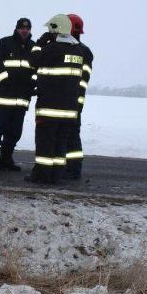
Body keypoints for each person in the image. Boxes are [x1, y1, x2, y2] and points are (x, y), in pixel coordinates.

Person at [26, 14, 84, 184]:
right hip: (69, 110)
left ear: (55, 30)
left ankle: (42, 175)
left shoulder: (52, 49)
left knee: (46, 143)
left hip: (49, 108)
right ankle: (56, 175)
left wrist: (39, 43)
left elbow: (33, 60)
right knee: (60, 144)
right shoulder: (78, 51)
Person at [0, 17, 35, 171]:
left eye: (27, 28)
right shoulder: (4, 43)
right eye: (22, 28)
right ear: (17, 28)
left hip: (21, 100)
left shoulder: (34, 47)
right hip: (3, 99)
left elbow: (36, 70)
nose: (25, 30)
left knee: (14, 133)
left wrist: (31, 84)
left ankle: (6, 160)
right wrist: (5, 80)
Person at [64, 13, 93, 180]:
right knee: (72, 134)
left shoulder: (75, 51)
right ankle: (72, 168)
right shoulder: (85, 51)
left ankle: (73, 169)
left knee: (70, 135)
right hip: (76, 100)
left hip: (69, 100)